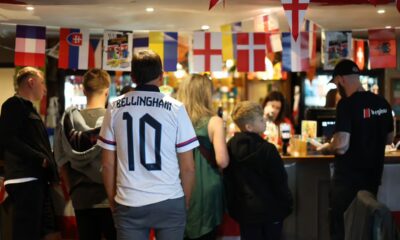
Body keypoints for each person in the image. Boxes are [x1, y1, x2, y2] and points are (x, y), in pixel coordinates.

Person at [98, 50, 198, 240]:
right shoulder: (176, 108)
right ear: (161, 77)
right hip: (169, 198)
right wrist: (183, 202)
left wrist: (113, 200)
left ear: (133, 76)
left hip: (129, 200)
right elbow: (188, 167)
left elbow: (108, 165)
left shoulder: (115, 106)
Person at [317, 59, 394, 240]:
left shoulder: (346, 104)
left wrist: (326, 148)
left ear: (341, 80)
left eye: (336, 84)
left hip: (347, 182)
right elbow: (389, 138)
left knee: (342, 229)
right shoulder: (382, 103)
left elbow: (341, 146)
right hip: (372, 180)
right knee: (364, 229)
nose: (337, 88)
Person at [54, 69, 116, 240]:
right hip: (111, 199)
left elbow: (62, 162)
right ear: (107, 91)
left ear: (83, 89)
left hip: (81, 199)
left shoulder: (67, 123)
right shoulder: (114, 121)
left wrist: (73, 190)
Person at [0, 67, 59, 240]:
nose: (45, 89)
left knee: (36, 231)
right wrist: (39, 158)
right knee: (27, 232)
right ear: (31, 82)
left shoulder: (27, 108)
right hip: (25, 178)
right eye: (42, 83)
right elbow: (7, 138)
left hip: (33, 178)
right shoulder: (13, 105)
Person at [224, 101, 293, 240]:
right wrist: (287, 206)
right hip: (271, 210)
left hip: (244, 211)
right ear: (249, 126)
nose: (265, 120)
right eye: (261, 119)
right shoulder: (268, 149)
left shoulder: (230, 146)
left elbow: (229, 181)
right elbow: (279, 181)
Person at [177, 74, 229, 240]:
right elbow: (222, 160)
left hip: (178, 184)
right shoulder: (214, 122)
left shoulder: (174, 119)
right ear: (205, 94)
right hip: (207, 186)